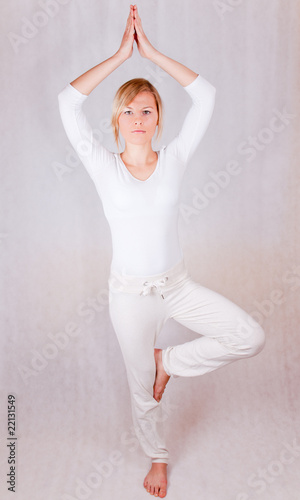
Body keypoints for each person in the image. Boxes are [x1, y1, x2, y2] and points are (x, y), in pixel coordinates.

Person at [58, 4, 265, 498]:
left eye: (146, 109)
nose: (137, 117)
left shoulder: (174, 157)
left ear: (157, 120)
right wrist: (118, 56)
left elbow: (206, 95)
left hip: (177, 286)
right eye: (127, 110)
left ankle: (168, 361)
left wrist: (149, 54)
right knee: (139, 389)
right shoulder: (104, 166)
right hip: (129, 296)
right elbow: (67, 102)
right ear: (115, 119)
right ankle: (158, 457)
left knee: (248, 336)